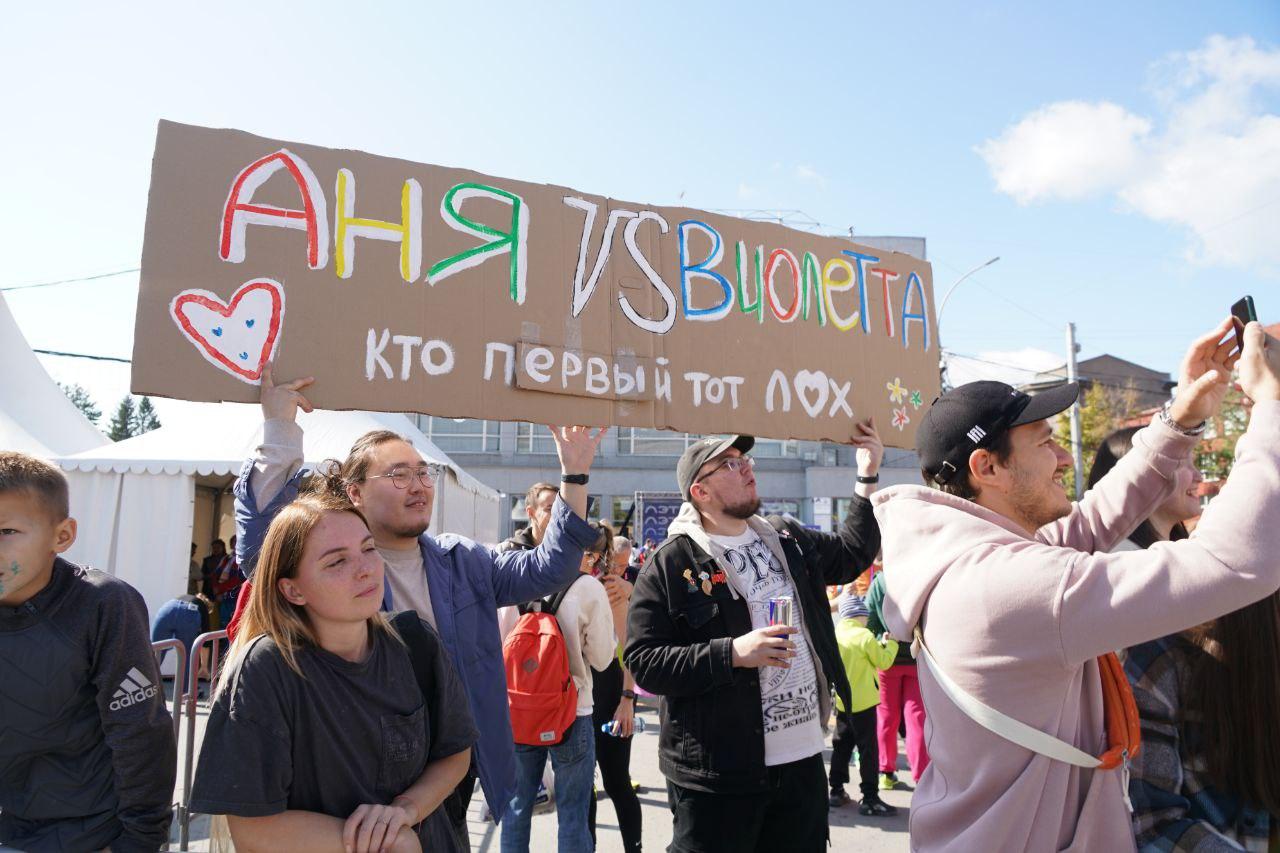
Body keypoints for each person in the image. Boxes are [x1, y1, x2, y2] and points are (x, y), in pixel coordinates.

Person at [873, 319, 1280, 851]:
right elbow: (1236, 562)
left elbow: (1093, 521)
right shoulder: (1005, 585)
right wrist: (1270, 405)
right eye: (1045, 444)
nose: (1065, 458)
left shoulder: (971, 558)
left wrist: (1182, 415)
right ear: (986, 466)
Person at [230, 366, 605, 831]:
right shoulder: (333, 562)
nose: (419, 484)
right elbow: (260, 550)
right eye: (399, 474)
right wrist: (280, 428)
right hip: (357, 770)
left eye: (423, 472)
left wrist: (575, 473)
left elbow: (551, 567)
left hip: (451, 767)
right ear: (355, 492)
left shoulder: (464, 561)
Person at [625, 422, 884, 852]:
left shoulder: (787, 537)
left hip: (801, 761)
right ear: (700, 492)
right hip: (718, 776)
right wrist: (732, 653)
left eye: (745, 460)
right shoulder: (671, 563)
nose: (745, 468)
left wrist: (866, 473)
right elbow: (644, 662)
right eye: (729, 464)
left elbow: (852, 554)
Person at [190, 491, 478, 853]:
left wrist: (406, 810)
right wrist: (392, 842)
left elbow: (455, 753)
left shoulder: (415, 643)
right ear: (292, 589)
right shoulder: (267, 669)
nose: (365, 568)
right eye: (337, 561)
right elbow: (253, 831)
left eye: (369, 548)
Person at [1087, 429, 1279, 848]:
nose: (1195, 473)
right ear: (1135, 476)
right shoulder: (1121, 581)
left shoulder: (1187, 567)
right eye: (1180, 459)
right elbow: (1150, 813)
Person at [0, 451, 176, 852]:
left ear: (61, 536)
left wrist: (140, 840)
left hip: (90, 836)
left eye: (7, 531)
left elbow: (141, 733)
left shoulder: (103, 605)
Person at [498, 520, 616, 852]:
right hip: (572, 711)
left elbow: (497, 645)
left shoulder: (514, 578)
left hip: (518, 710)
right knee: (573, 814)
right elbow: (604, 658)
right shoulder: (588, 587)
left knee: (517, 808)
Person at [588, 527, 643, 853]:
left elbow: (628, 650)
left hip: (610, 693)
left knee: (616, 781)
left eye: (592, 553)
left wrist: (627, 700)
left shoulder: (610, 587)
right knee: (582, 788)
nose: (587, 559)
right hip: (577, 697)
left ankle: (633, 849)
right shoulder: (565, 580)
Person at [828, 594, 899, 816]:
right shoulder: (864, 636)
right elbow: (883, 661)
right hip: (865, 704)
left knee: (841, 745)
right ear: (859, 615)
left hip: (842, 702)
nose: (867, 621)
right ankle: (869, 798)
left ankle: (836, 790)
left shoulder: (835, 635)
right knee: (868, 750)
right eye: (865, 617)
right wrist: (892, 643)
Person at [865, 568, 929, 790]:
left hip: (887, 658)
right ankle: (921, 776)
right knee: (917, 717)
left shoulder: (880, 582)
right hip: (916, 657)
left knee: (886, 716)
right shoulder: (919, 575)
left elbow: (870, 621)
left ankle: (886, 771)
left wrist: (880, 640)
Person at [1086, 426, 1199, 548]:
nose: (1199, 476)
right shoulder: (1122, 559)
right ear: (1140, 474)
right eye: (1182, 464)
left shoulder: (1177, 551)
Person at [151, 591, 214, 677]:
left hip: (166, 609)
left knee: (156, 651)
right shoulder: (202, 607)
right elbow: (205, 640)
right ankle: (184, 689)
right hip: (188, 612)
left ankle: (147, 682)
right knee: (185, 656)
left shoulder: (184, 597)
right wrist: (204, 666)